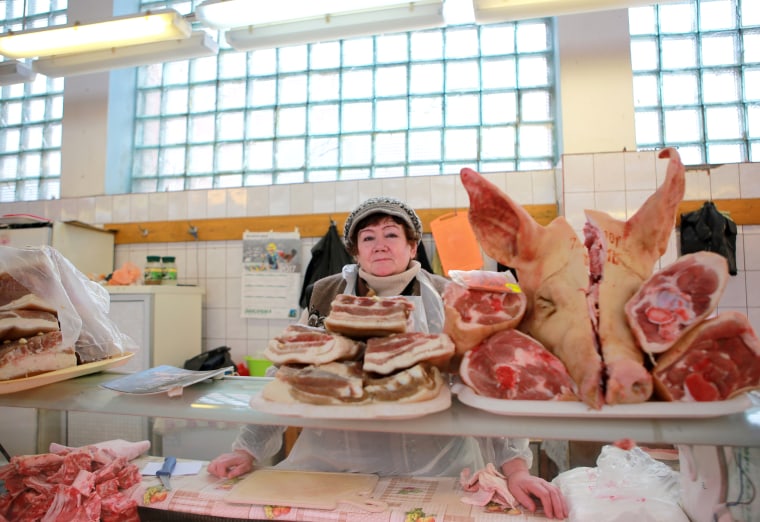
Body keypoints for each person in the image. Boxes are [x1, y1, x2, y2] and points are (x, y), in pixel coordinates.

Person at [208, 197, 568, 519]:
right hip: (332, 467)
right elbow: (287, 378)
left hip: (436, 466)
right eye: (368, 238)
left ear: (413, 247)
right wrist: (247, 450)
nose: (379, 245)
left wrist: (516, 469)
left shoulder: (450, 297)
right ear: (356, 251)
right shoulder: (326, 293)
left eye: (391, 235)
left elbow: (489, 385)